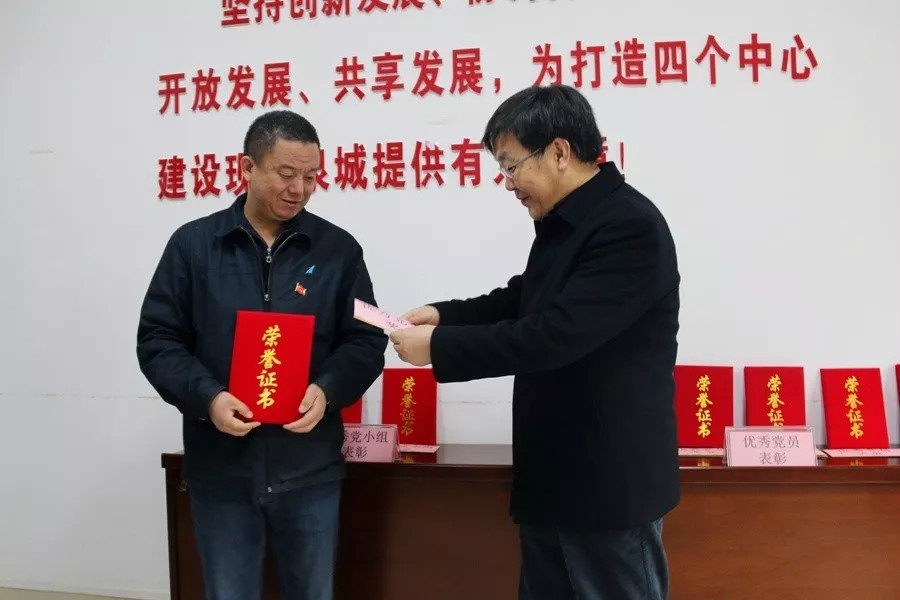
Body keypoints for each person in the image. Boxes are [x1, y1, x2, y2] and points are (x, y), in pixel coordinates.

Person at [390, 85, 681, 599]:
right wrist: (445, 315)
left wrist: (439, 348)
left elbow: (555, 335)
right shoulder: (569, 221)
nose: (508, 184)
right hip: (554, 474)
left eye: (511, 166)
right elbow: (523, 298)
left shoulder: (628, 226)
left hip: (607, 483)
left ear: (559, 152)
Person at [137, 110, 387, 600]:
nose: (299, 189)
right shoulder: (193, 246)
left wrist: (328, 389)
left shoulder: (339, 251)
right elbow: (158, 340)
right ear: (247, 167)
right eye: (286, 173)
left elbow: (366, 337)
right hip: (221, 471)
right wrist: (208, 398)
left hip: (310, 470)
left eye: (311, 176)